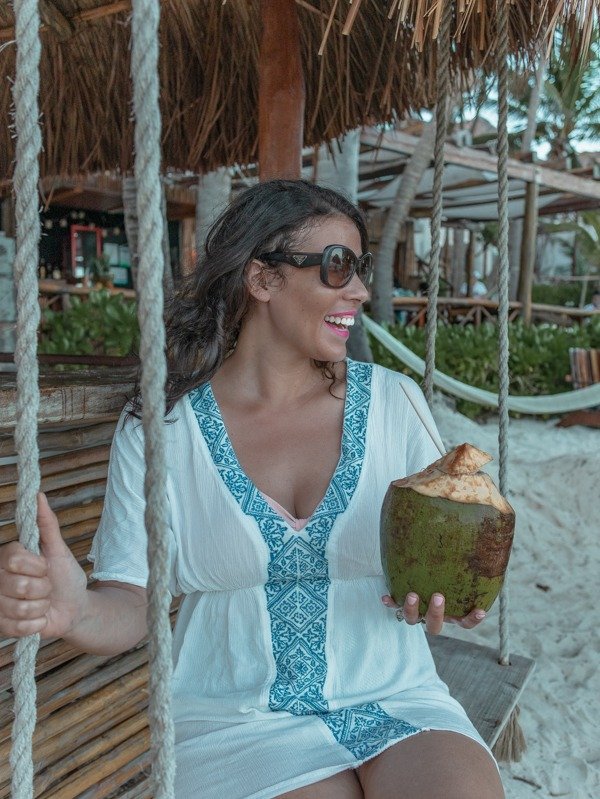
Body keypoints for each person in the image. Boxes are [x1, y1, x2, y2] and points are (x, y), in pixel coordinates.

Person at [0, 180, 504, 799]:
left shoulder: (395, 404)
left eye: (360, 268)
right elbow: (131, 603)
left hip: (398, 699)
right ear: (262, 279)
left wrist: (452, 593)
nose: (361, 291)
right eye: (337, 267)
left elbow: (445, 539)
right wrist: (74, 611)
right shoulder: (163, 431)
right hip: (235, 720)